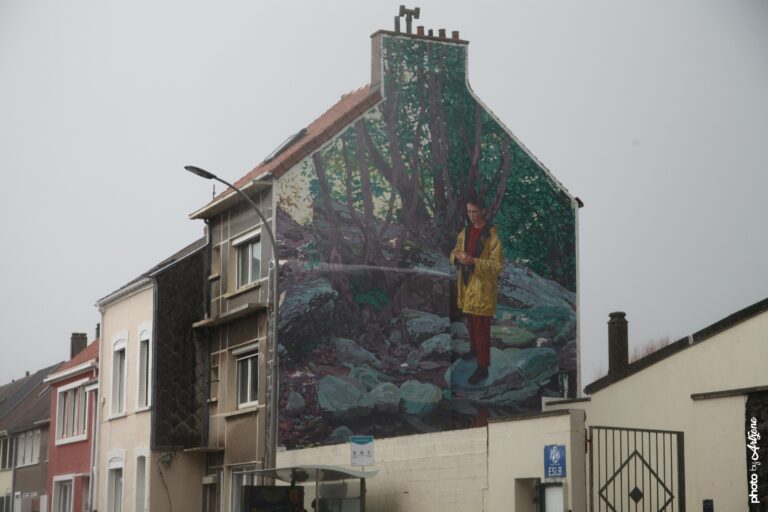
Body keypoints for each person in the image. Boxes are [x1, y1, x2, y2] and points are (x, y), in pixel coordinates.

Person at [450, 195, 504, 384]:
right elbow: (454, 250)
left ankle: (483, 367)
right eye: (469, 211)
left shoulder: (491, 235)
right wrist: (458, 256)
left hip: (482, 287)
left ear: (482, 211)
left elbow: (497, 266)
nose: (471, 215)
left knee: (482, 328)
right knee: (471, 322)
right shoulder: (465, 232)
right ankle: (474, 351)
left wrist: (474, 261)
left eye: (475, 211)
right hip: (467, 285)